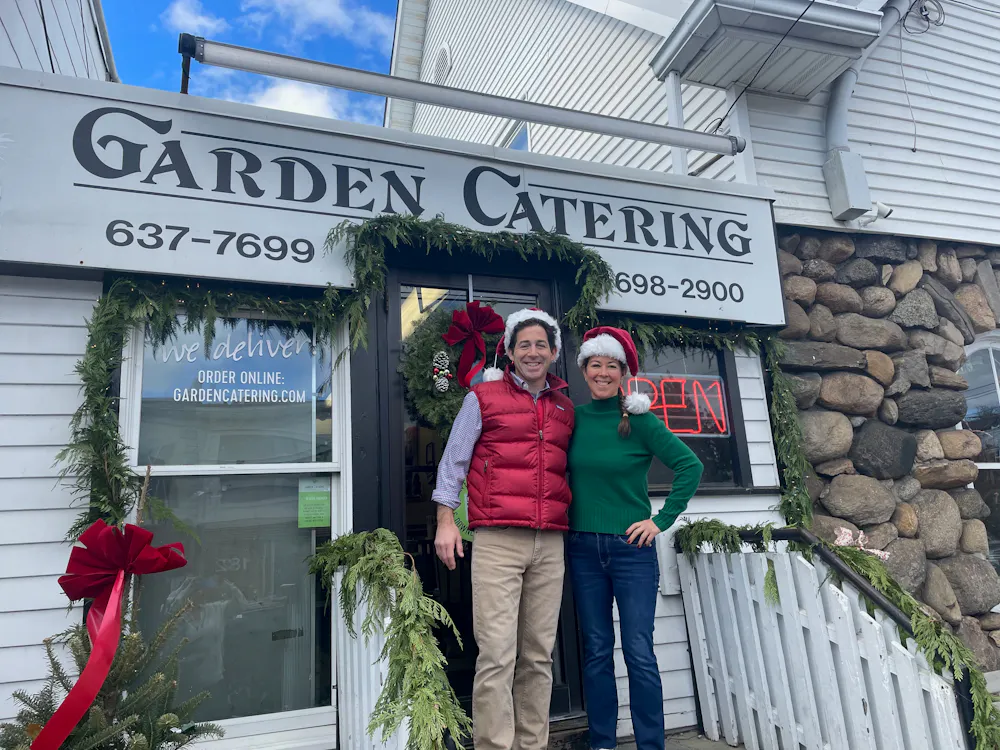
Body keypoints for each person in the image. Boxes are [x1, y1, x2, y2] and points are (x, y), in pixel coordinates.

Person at [432, 308, 575, 750]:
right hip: (497, 539)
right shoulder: (482, 397)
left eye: (541, 345)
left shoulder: (565, 408)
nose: (533, 352)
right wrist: (445, 521)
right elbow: (453, 462)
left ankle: (532, 745)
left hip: (549, 543)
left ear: (553, 352)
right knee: (496, 655)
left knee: (538, 656)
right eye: (523, 344)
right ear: (509, 352)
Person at [567, 326, 703, 750]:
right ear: (584, 371)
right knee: (596, 650)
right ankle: (602, 742)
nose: (603, 373)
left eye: (612, 366)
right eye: (595, 365)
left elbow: (691, 466)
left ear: (623, 373)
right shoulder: (573, 419)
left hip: (632, 550)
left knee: (639, 652)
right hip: (583, 549)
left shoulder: (640, 421)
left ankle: (650, 744)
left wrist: (660, 520)